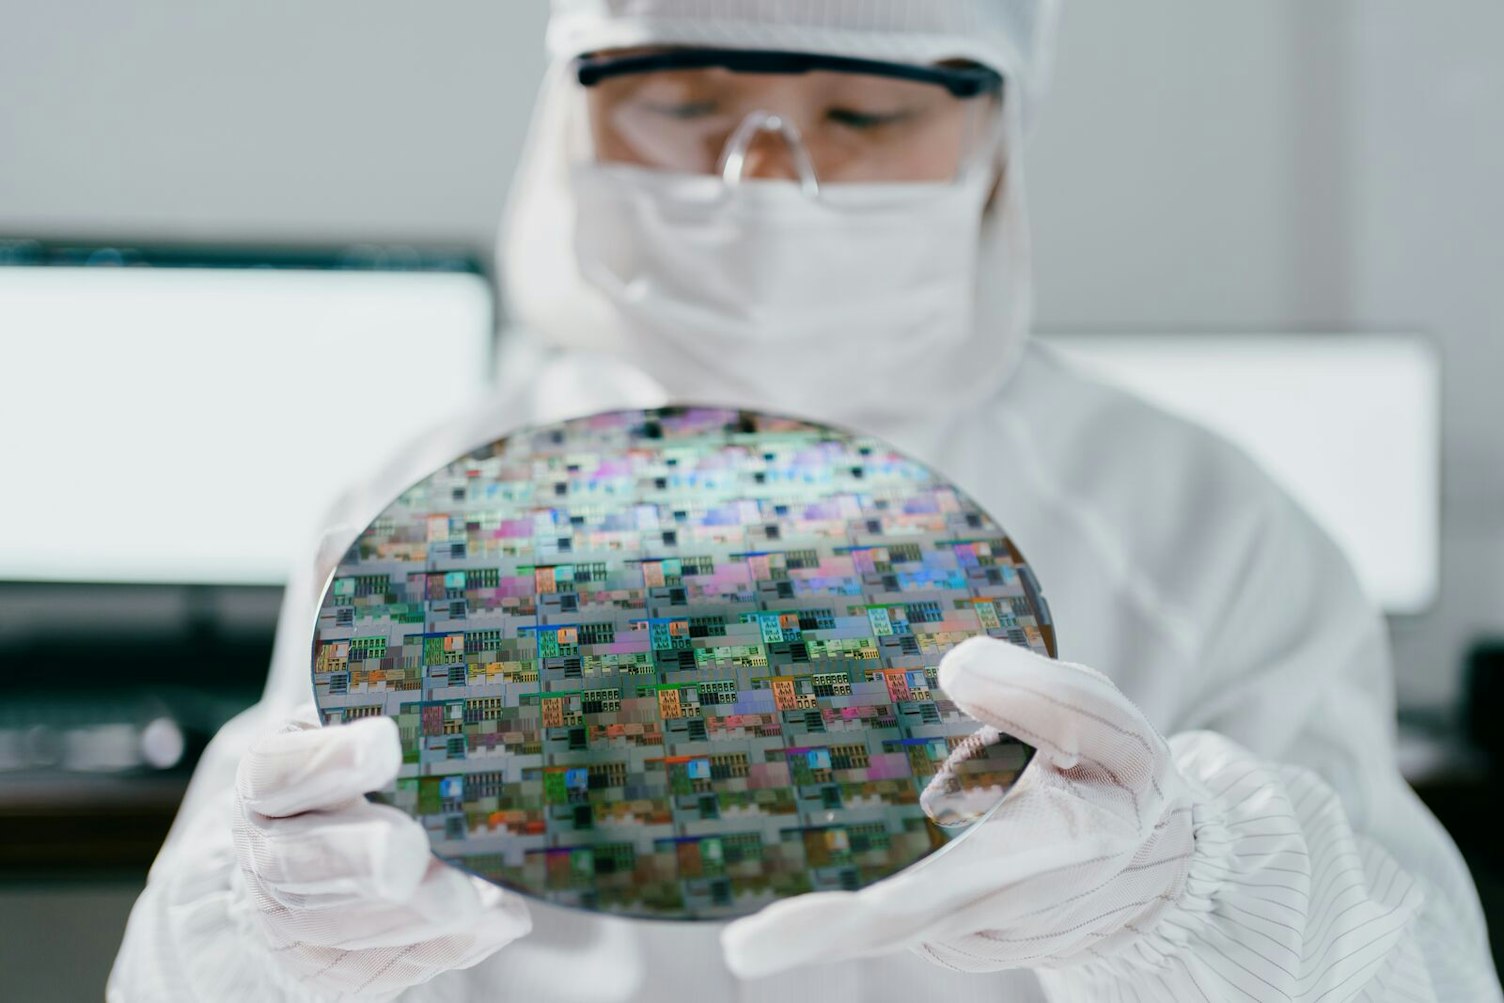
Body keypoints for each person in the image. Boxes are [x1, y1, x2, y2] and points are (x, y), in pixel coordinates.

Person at [109, 2, 1501, 1000]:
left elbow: (1417, 971)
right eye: (688, 101)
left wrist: (1188, 898)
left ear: (992, 136)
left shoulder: (1200, 521)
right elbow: (185, 971)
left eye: (864, 114)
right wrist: (289, 941)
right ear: (573, 103)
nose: (762, 175)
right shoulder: (418, 508)